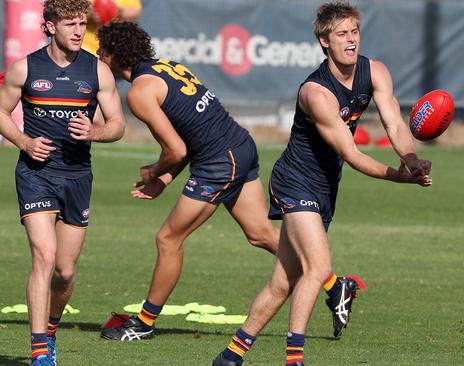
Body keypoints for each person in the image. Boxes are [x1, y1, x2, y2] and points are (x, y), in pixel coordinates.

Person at [95, 21, 354, 342]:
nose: (98, 59)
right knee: (260, 234)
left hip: (220, 162)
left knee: (168, 240)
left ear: (116, 57)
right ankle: (334, 284)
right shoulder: (167, 67)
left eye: (101, 53)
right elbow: (190, 136)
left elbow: (175, 149)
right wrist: (164, 178)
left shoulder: (139, 93)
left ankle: (143, 324)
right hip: (240, 147)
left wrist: (155, 170)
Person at [212, 2, 432, 365]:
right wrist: (401, 178)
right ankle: (294, 359)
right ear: (324, 41)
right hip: (294, 182)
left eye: (355, 32)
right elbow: (353, 154)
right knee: (318, 268)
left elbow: (394, 123)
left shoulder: (374, 72)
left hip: (325, 188)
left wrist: (410, 159)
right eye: (342, 34)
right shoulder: (316, 93)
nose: (351, 40)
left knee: (283, 283)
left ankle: (231, 355)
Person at [0, 0, 126, 365]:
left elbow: (117, 123)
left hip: (77, 177)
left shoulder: (97, 71)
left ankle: (51, 328)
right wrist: (24, 142)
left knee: (65, 271)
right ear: (51, 26)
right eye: (70, 23)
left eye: (81, 23)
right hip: (35, 175)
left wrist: (95, 131)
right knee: (45, 256)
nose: (77, 30)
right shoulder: (25, 67)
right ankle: (40, 352)